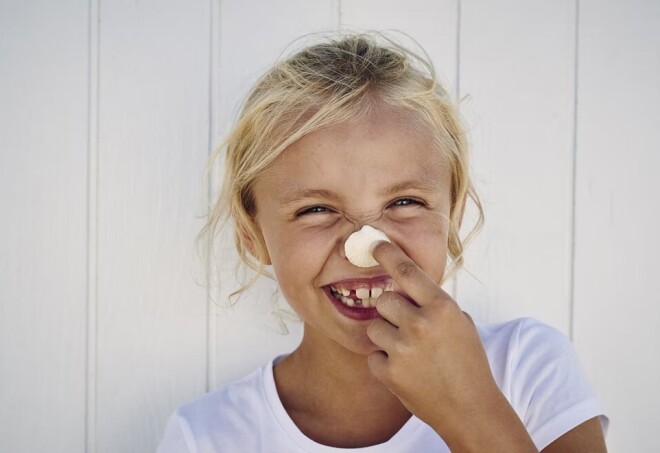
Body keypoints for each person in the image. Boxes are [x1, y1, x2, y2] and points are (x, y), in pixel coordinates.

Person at [158, 32, 608, 452]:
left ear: (452, 217)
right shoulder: (205, 435)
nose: (366, 245)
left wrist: (470, 411)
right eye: (316, 209)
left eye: (405, 201)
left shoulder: (527, 367)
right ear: (251, 236)